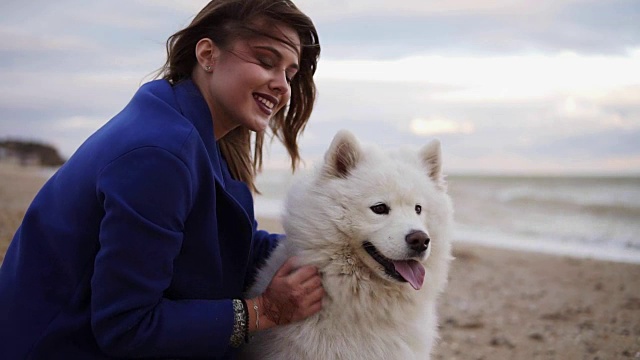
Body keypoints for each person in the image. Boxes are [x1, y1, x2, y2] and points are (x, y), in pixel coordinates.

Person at [0, 0, 324, 358]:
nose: (281, 86)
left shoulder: (196, 134)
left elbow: (229, 245)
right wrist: (263, 311)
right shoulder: (160, 153)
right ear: (207, 55)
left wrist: (329, 251)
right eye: (266, 61)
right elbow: (127, 326)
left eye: (290, 74)